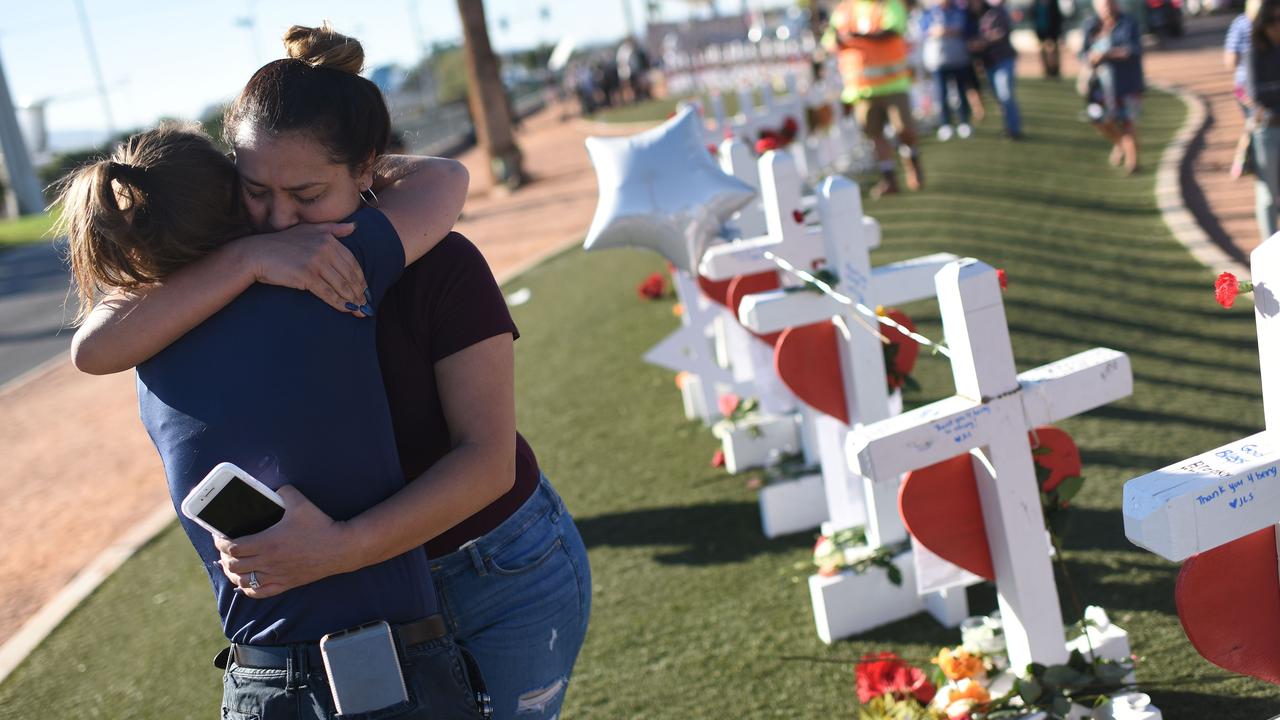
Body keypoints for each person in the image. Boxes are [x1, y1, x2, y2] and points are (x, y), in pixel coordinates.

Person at [71, 24, 592, 720]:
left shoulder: (437, 262)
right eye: (255, 191)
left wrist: (339, 550)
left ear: (368, 169)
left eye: (308, 192)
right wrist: (244, 261)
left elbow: (487, 463)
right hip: (369, 599)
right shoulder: (214, 283)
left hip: (493, 566)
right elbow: (97, 343)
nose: (281, 218)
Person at [824, 0, 926, 197]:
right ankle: (889, 179)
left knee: (904, 130)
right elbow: (830, 41)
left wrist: (858, 37)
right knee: (874, 135)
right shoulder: (844, 10)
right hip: (861, 88)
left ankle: (913, 163)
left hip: (893, 83)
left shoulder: (889, 5)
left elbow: (893, 31)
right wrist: (838, 38)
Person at [1081, 0, 1145, 175]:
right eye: (1102, 4)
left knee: (1127, 122)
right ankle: (1120, 144)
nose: (1106, 8)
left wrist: (1107, 54)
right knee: (1098, 119)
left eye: (1109, 3)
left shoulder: (1128, 23)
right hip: (1100, 86)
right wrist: (1090, 58)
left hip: (1127, 83)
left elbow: (1133, 49)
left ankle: (1132, 164)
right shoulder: (1091, 25)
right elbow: (1083, 53)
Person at [1246, 0, 1280, 238]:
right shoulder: (1256, 51)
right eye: (1274, 20)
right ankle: (1271, 257)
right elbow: (1256, 93)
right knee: (1268, 194)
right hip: (1267, 130)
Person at [921, 0, 974, 141]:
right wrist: (936, 31)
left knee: (961, 92)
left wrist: (946, 31)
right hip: (937, 60)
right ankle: (945, 124)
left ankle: (964, 122)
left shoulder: (960, 10)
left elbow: (964, 29)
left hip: (958, 58)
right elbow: (924, 29)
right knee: (941, 94)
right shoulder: (929, 12)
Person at [971, 0, 1023, 139]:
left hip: (1003, 59)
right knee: (999, 97)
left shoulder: (996, 12)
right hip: (988, 63)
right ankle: (1009, 126)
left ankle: (1013, 129)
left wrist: (983, 42)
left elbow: (1002, 32)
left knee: (1005, 94)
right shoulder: (973, 16)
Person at [1227, 0, 1264, 178]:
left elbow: (1230, 60)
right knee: (1255, 124)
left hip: (1244, 85)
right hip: (1247, 87)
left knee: (1253, 124)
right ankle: (1246, 159)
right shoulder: (1245, 24)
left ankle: (1245, 160)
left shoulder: (1240, 23)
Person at [1031, 0, 1065, 78]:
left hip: (1053, 32)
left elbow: (1058, 17)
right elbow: (1033, 15)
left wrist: (1058, 32)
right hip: (1041, 32)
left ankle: (1055, 71)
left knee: (1054, 52)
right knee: (1043, 52)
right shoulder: (1037, 3)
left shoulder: (1053, 2)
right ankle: (1047, 71)